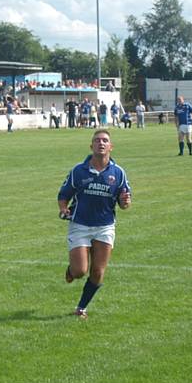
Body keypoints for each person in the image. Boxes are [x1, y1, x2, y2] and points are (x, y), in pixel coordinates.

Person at [58, 129, 132, 319]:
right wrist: (64, 208)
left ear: (111, 147)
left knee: (98, 272)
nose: (101, 143)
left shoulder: (119, 173)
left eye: (105, 140)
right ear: (91, 146)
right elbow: (63, 195)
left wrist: (125, 202)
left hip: (105, 226)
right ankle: (71, 270)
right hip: (80, 225)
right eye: (97, 140)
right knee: (80, 271)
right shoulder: (78, 170)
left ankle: (81, 307)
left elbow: (124, 203)